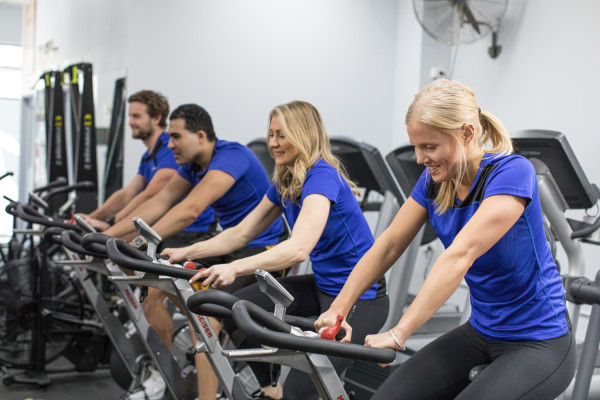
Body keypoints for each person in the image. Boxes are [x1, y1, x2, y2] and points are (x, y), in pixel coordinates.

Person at [315, 79, 576, 400]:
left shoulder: (511, 172)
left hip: (539, 342)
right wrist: (338, 309)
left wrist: (399, 333)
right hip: (481, 332)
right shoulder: (433, 182)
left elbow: (460, 255)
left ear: (467, 133)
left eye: (429, 146)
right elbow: (389, 245)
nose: (419, 157)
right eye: (416, 146)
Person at [164, 100, 389, 400]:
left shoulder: (321, 176)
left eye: (281, 135)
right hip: (323, 286)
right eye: (271, 135)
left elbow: (299, 249)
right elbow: (242, 232)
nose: (273, 143)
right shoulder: (285, 180)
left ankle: (285, 392)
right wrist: (186, 252)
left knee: (301, 391)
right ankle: (271, 388)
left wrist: (234, 268)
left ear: (303, 134)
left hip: (361, 295)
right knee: (234, 308)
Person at [105, 103, 284, 400]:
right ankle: (171, 374)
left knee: (205, 317)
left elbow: (190, 209)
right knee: (152, 292)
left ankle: (207, 395)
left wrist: (138, 242)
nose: (169, 144)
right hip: (226, 243)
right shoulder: (192, 166)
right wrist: (105, 236)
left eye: (175, 137)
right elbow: (160, 202)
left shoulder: (231, 156)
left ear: (200, 136)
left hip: (258, 248)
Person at [78, 90, 214, 232]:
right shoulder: (148, 154)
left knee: (116, 241)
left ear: (156, 118)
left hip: (190, 231)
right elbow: (127, 193)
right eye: (130, 116)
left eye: (136, 116)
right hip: (163, 226)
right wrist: (91, 218)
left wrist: (113, 223)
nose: (130, 122)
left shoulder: (170, 149)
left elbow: (150, 195)